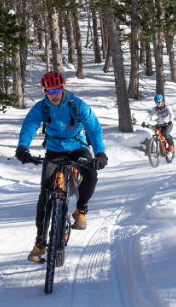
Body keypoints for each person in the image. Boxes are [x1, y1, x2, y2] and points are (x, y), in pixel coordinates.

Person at [14, 71, 108, 263]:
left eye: (56, 90)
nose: (53, 94)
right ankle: (40, 243)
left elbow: (93, 128)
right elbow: (29, 125)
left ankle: (80, 209)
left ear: (63, 88)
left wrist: (100, 153)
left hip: (78, 147)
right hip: (54, 150)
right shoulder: (41, 108)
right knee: (45, 194)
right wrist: (23, 147)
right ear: (44, 92)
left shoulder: (77, 105)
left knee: (90, 173)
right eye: (49, 91)